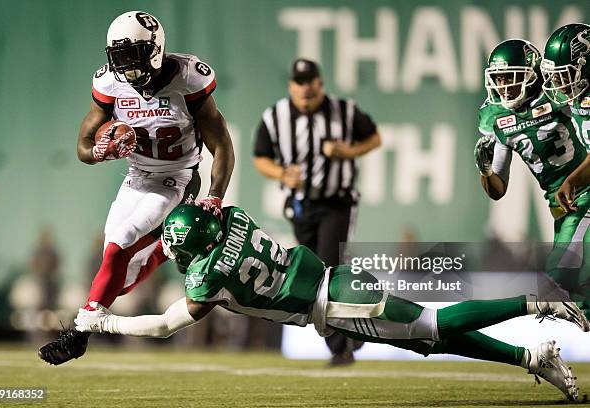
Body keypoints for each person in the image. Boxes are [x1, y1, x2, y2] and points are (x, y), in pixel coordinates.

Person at [75, 204, 588, 401]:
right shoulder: (232, 219)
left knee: (432, 325)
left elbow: (166, 326)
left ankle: (531, 302)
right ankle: (529, 358)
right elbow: (218, 207)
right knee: (429, 342)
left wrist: (105, 325)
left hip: (338, 303)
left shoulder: (209, 275)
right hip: (335, 283)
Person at [38, 10, 235, 365]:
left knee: (119, 245)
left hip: (178, 177)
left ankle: (80, 333)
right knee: (117, 269)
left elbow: (221, 144)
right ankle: (167, 247)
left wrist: (215, 194)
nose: (127, 69)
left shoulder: (189, 79)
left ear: (155, 50)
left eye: (134, 58)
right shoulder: (109, 84)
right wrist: (99, 152)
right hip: (137, 176)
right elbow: (83, 145)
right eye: (120, 60)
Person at [253, 58, 381, 365]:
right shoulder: (275, 117)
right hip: (300, 206)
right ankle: (350, 335)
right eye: (300, 83)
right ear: (291, 86)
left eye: (310, 82)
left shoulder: (344, 111)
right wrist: (283, 174)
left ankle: (343, 344)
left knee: (329, 268)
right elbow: (261, 158)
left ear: (320, 83)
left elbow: (374, 138)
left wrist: (346, 152)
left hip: (336, 202)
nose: (305, 89)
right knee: (311, 273)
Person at [474, 39, 589, 318]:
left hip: (584, 191)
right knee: (573, 290)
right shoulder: (496, 117)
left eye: (510, 77)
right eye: (498, 79)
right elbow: (498, 189)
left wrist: (573, 181)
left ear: (532, 73)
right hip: (563, 205)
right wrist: (486, 170)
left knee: (557, 278)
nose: (504, 86)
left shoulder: (557, 95)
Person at [541, 24, 590, 222]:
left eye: (565, 74)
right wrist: (574, 181)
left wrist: (573, 180)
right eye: (555, 75)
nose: (559, 83)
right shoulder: (580, 95)